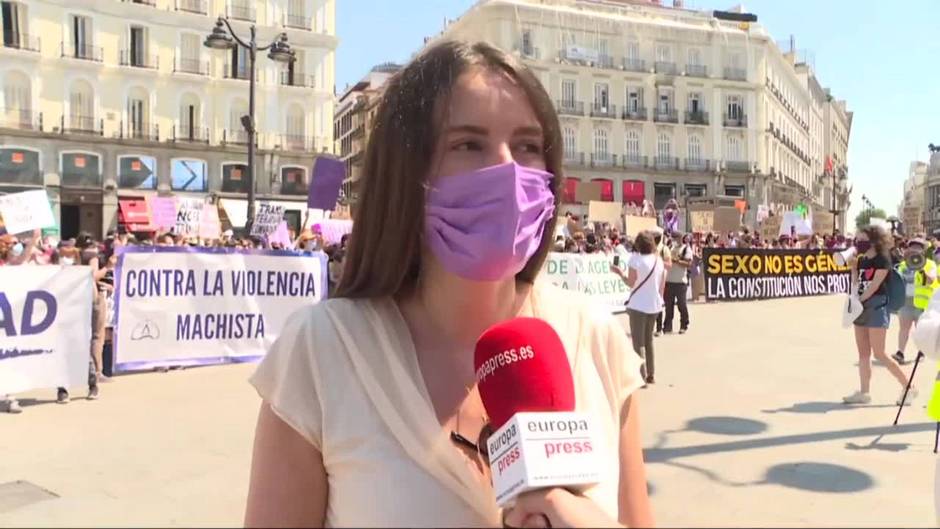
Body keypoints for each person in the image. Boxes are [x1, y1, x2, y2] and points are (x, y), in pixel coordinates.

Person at [244, 40, 653, 528]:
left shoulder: (596, 339)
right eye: (467, 144)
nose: (507, 168)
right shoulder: (321, 353)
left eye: (527, 145)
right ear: (407, 173)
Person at [844, 225, 915, 405]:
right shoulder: (861, 260)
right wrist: (853, 270)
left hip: (876, 306)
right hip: (861, 306)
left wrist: (859, 299)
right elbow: (857, 283)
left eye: (862, 240)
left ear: (873, 240)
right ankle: (864, 392)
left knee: (880, 353)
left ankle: (909, 387)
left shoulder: (883, 258)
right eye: (857, 240)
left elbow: (875, 285)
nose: (859, 243)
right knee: (863, 354)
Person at [611, 231, 665, 385]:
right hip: (654, 304)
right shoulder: (658, 261)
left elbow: (630, 282)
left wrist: (620, 273)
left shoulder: (635, 260)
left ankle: (641, 375)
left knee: (638, 342)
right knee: (649, 341)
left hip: (638, 305)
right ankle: (651, 373)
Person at [894, 237, 939, 365]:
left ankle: (921, 352)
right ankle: (900, 353)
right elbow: (897, 281)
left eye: (918, 247)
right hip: (906, 302)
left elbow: (932, 280)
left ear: (923, 250)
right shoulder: (903, 265)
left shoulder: (930, 264)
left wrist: (922, 268)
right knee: (904, 329)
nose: (915, 249)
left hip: (923, 304)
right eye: (912, 246)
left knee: (920, 330)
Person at [663, 232, 693, 334]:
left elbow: (688, 264)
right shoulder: (669, 248)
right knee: (668, 306)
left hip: (680, 282)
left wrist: (677, 261)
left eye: (677, 237)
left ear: (681, 238)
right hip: (669, 281)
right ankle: (667, 327)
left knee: (682, 305)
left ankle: (684, 324)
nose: (675, 239)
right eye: (674, 237)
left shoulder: (686, 249)